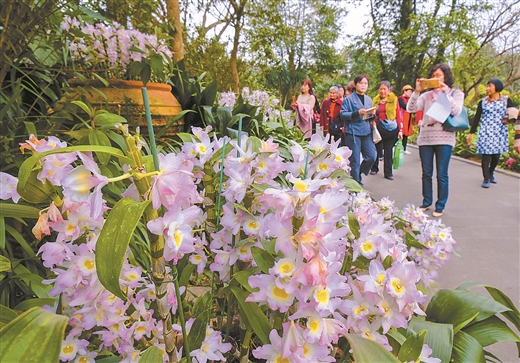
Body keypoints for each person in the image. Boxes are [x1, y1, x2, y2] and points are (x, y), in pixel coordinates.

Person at [406, 63, 464, 217]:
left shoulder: (456, 93)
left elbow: (456, 111)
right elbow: (410, 108)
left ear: (446, 76)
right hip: (426, 138)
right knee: (426, 173)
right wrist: (417, 90)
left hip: (445, 138)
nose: (436, 78)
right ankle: (426, 201)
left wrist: (446, 94)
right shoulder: (425, 96)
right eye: (434, 75)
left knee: (442, 174)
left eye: (439, 75)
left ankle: (440, 205)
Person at [466, 78, 516, 188]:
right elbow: (476, 118)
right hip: (485, 131)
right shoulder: (482, 102)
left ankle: (491, 172)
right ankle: (486, 178)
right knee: (486, 155)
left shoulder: (506, 100)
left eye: (490, 86)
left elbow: (514, 114)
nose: (487, 89)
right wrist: (471, 133)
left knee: (496, 156)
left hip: (500, 131)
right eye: (487, 86)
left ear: (497, 87)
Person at [340, 74, 377, 185]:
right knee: (355, 161)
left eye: (365, 83)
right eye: (361, 83)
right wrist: (356, 113)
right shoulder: (348, 99)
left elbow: (369, 116)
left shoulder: (368, 99)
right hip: (353, 132)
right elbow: (343, 114)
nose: (363, 85)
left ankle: (358, 173)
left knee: (372, 156)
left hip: (366, 131)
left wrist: (373, 115)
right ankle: (355, 185)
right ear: (355, 84)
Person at [370, 81, 402, 180]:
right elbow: (371, 114)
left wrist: (400, 130)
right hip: (378, 128)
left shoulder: (394, 100)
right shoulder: (375, 101)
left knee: (388, 151)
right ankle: (374, 168)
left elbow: (398, 115)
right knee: (376, 149)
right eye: (381, 89)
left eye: (385, 89)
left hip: (391, 129)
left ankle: (388, 173)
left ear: (388, 90)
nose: (382, 91)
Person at [398, 85, 415, 154]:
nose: (410, 93)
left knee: (406, 133)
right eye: (409, 91)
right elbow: (403, 106)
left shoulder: (409, 100)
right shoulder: (400, 98)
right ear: (404, 91)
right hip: (402, 117)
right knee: (401, 132)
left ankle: (404, 148)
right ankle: (398, 148)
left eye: (411, 92)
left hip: (408, 117)